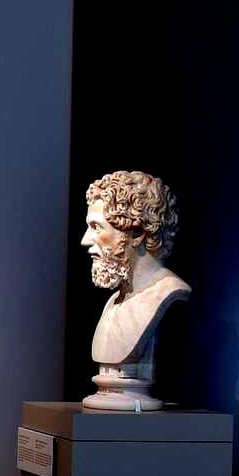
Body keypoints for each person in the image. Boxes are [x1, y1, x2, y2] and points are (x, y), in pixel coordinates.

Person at [80, 170, 190, 409]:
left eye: (96, 227)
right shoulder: (114, 302)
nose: (85, 240)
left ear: (137, 233)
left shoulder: (167, 292)